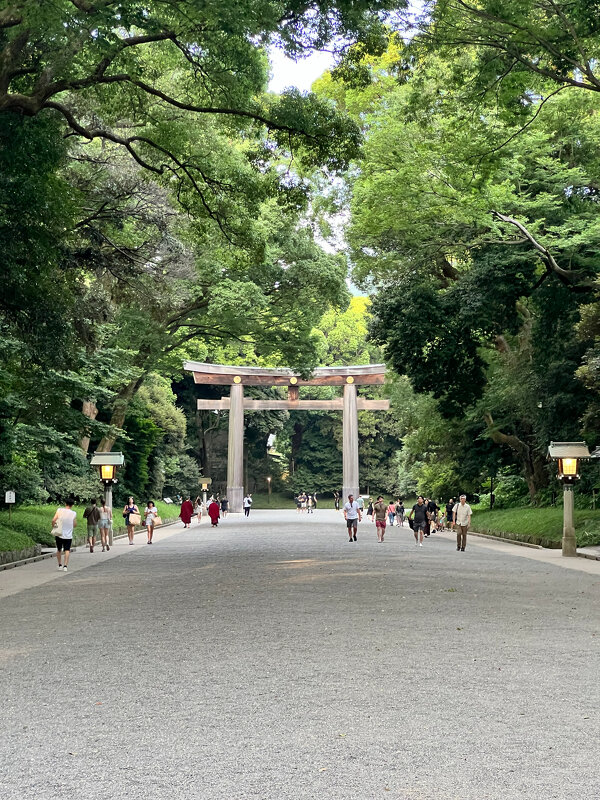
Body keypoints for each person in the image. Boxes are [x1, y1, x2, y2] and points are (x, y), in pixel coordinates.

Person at [52, 498, 77, 572]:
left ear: (65, 503)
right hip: (68, 535)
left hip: (59, 533)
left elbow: (53, 520)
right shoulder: (73, 513)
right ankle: (65, 566)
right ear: (72, 505)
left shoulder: (59, 510)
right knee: (67, 550)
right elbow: (75, 524)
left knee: (59, 549)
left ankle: (60, 565)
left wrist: (54, 526)